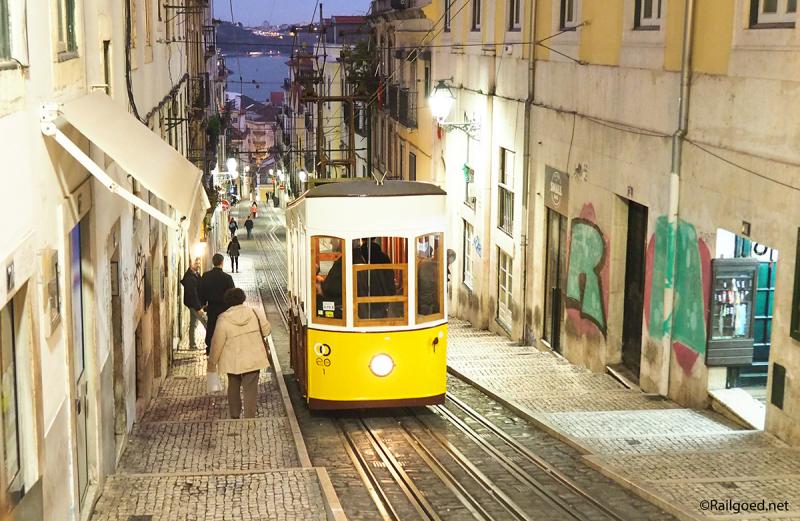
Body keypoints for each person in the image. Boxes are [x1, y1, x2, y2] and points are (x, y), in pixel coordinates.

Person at [208, 288, 271, 419]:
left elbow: (217, 343)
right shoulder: (254, 312)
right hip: (253, 357)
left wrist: (212, 362)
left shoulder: (223, 319)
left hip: (233, 360)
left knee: (233, 386)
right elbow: (266, 331)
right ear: (243, 298)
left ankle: (235, 415)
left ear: (227, 302)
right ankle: (249, 416)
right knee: (251, 389)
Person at [198, 254, 235, 356]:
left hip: (212, 307)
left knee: (211, 327)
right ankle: (224, 347)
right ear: (222, 263)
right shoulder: (227, 278)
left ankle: (210, 348)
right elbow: (232, 294)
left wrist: (203, 304)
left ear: (213, 262)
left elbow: (201, 291)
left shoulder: (206, 276)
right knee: (224, 328)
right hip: (224, 308)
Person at [360, 239, 395, 318]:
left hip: (360, 302)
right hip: (381, 301)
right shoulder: (384, 257)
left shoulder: (355, 258)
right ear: (375, 239)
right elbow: (390, 279)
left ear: (362, 239)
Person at [180, 258, 208, 350]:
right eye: (196, 263)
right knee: (206, 322)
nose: (198, 264)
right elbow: (193, 294)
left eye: (199, 262)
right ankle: (211, 343)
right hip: (194, 305)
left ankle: (192, 345)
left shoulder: (195, 274)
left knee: (193, 324)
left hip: (194, 304)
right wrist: (199, 308)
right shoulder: (189, 278)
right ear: (190, 264)